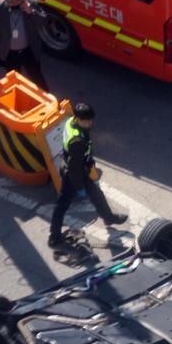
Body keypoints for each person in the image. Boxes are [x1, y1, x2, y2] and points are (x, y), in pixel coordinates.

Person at [48, 103, 128, 248]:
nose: (90, 123)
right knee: (62, 205)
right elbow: (74, 167)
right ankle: (54, 236)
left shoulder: (70, 122)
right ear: (78, 119)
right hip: (73, 175)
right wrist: (79, 186)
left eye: (91, 119)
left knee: (97, 194)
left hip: (76, 168)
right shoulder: (77, 141)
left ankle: (108, 218)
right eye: (87, 121)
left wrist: (89, 160)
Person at [0, 0, 50, 91]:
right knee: (13, 79)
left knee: (37, 77)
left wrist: (31, 12)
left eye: (17, 1)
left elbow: (44, 22)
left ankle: (47, 98)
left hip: (28, 49)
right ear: (5, 0)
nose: (14, 4)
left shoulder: (31, 3)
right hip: (10, 51)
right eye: (11, 2)